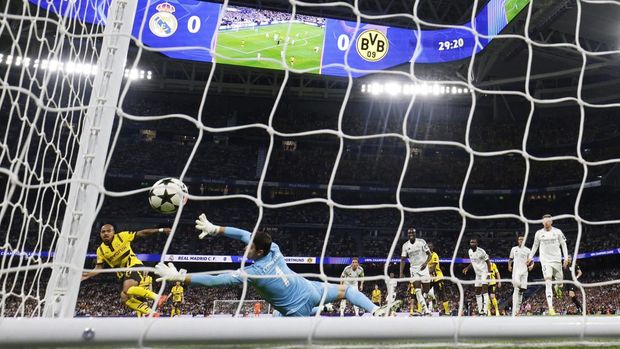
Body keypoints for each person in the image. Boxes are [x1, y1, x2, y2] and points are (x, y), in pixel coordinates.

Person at [155, 214, 401, 317]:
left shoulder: (252, 273)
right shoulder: (274, 248)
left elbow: (217, 279)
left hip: (296, 310)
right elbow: (244, 234)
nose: (245, 246)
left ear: (258, 251)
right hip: (311, 289)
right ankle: (376, 311)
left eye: (249, 247)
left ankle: (373, 312)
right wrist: (215, 229)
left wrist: (181, 278)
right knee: (346, 289)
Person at [81, 224, 171, 316]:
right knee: (125, 299)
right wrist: (85, 275)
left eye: (109, 231)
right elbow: (98, 268)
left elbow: (142, 233)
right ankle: (152, 313)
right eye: (103, 232)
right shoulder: (100, 250)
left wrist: (161, 230)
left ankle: (158, 297)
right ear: (100, 234)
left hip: (134, 265)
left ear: (113, 232)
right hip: (123, 275)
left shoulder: (122, 236)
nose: (106, 233)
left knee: (127, 289)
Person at [528, 214, 569, 316]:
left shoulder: (558, 232)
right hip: (545, 261)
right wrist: (530, 257)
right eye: (544, 221)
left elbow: (564, 245)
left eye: (548, 221)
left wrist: (566, 258)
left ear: (551, 222)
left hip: (557, 260)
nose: (546, 223)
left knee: (560, 282)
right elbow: (535, 246)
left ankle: (558, 286)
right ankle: (551, 308)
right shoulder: (538, 233)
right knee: (548, 282)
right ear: (542, 222)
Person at [399, 228, 431, 315]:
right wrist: (401, 273)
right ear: (407, 234)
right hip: (414, 269)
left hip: (424, 268)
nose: (411, 234)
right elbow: (402, 260)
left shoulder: (421, 242)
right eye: (409, 233)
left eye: (413, 233)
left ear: (416, 234)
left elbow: (429, 255)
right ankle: (426, 310)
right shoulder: (405, 245)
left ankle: (427, 298)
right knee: (417, 290)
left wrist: (425, 263)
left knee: (426, 291)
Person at [462, 237, 492, 316]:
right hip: (478, 274)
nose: (472, 243)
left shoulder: (481, 251)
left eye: (474, 242)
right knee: (477, 292)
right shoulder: (469, 252)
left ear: (477, 243)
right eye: (471, 242)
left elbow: (488, 263)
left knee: (484, 291)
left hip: (484, 273)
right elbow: (473, 261)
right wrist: (467, 268)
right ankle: (480, 311)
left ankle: (485, 311)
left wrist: (489, 274)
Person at [508, 235, 533, 316]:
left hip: (524, 272)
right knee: (516, 288)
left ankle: (517, 310)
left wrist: (532, 265)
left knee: (522, 290)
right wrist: (509, 265)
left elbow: (531, 261)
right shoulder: (513, 249)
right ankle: (514, 310)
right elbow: (510, 259)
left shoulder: (528, 250)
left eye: (522, 239)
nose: (521, 241)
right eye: (519, 239)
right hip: (516, 272)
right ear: (517, 240)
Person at [427, 242, 450, 315]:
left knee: (442, 294)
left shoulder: (434, 255)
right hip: (429, 278)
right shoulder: (424, 256)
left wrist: (422, 272)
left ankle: (447, 311)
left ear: (432, 248)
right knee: (423, 292)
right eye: (428, 247)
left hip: (437, 277)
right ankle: (421, 309)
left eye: (430, 246)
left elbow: (433, 268)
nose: (429, 248)